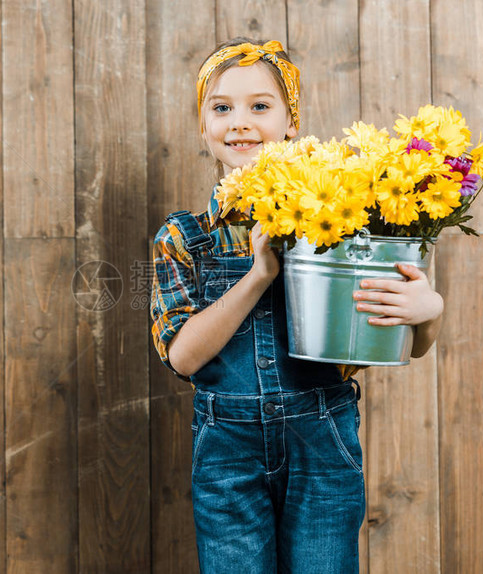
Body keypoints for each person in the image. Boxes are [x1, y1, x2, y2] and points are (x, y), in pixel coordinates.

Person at [149, 38, 444, 574]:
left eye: (260, 106)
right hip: (226, 451)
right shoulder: (184, 237)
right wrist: (260, 273)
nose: (239, 121)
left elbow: (388, 344)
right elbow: (183, 358)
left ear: (291, 122)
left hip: (322, 439)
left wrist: (427, 313)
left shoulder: (340, 222)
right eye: (221, 108)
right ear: (202, 127)